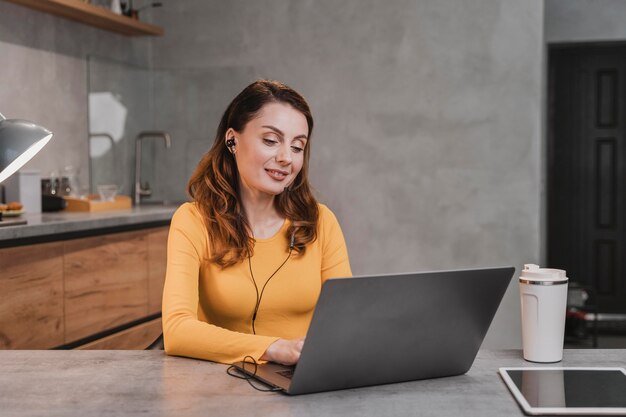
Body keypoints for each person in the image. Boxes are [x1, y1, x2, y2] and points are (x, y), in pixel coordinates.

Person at [162, 80, 352, 366]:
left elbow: (348, 319)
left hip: (303, 384)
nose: (286, 158)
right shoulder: (193, 221)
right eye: (271, 141)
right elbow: (177, 330)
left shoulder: (321, 221)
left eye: (298, 146)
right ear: (232, 140)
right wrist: (273, 348)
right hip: (220, 387)